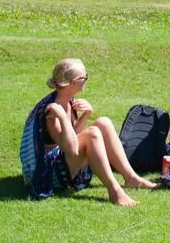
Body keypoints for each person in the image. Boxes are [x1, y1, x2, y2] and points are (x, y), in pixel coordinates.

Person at [31, 58, 157, 206]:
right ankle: (115, 191)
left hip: (63, 159)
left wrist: (86, 114)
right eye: (84, 77)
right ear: (72, 82)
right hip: (51, 174)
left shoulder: (67, 99)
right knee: (92, 134)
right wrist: (63, 118)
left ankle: (131, 178)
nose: (86, 80)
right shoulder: (52, 111)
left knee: (103, 122)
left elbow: (71, 136)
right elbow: (71, 148)